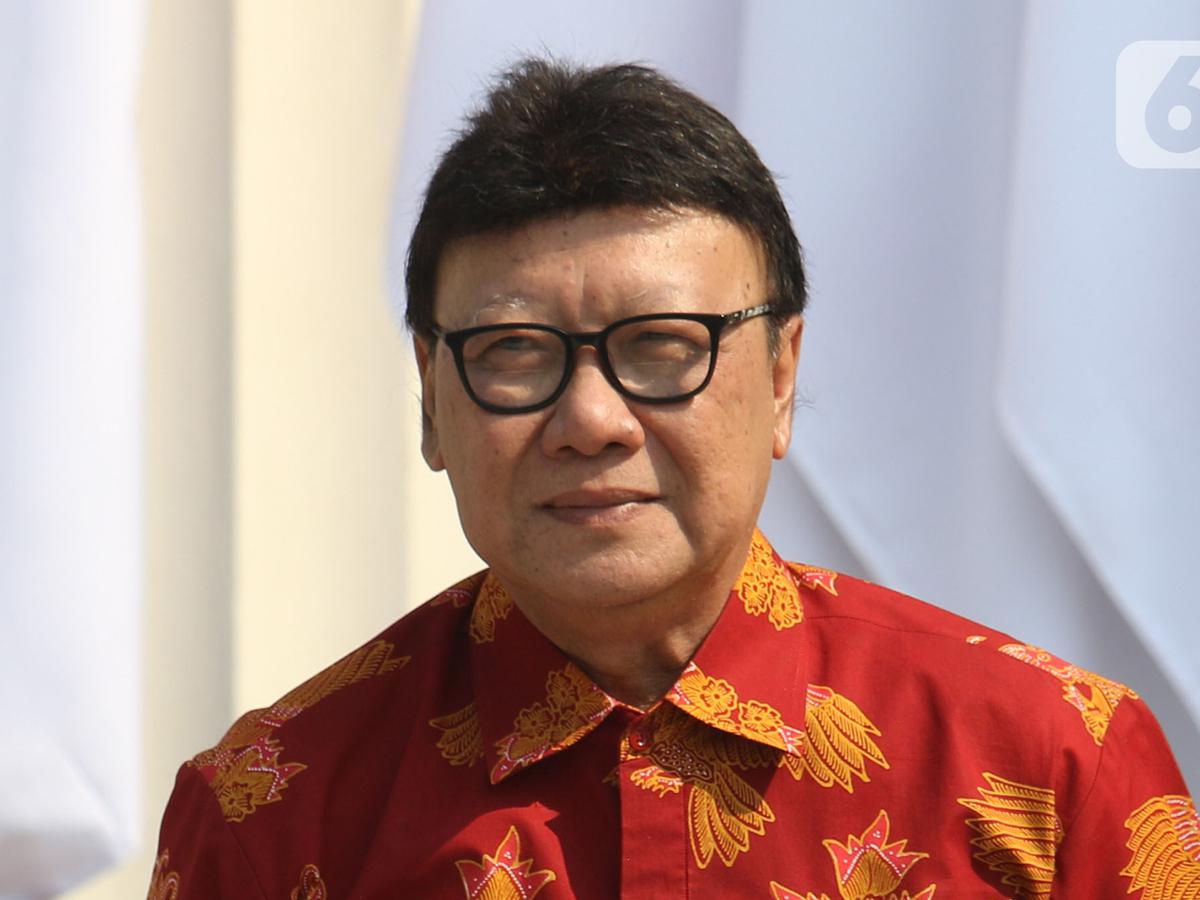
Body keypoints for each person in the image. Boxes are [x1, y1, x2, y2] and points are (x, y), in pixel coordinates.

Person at [148, 57, 1196, 899]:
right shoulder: (273, 815)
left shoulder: (1053, 763)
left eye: (661, 347)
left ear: (780, 378)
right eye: (515, 354)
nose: (590, 421)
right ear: (431, 398)